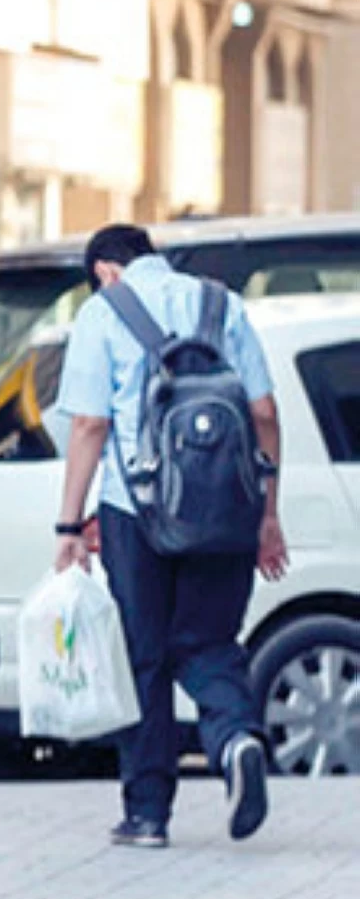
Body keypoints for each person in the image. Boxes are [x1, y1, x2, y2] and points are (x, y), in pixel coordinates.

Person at [52, 224, 287, 850]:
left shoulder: (103, 313)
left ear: (105, 271)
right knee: (210, 642)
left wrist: (69, 525)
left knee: (145, 657)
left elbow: (89, 426)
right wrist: (267, 515)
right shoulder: (221, 304)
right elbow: (264, 414)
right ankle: (235, 740)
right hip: (228, 507)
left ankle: (148, 814)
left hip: (137, 510)